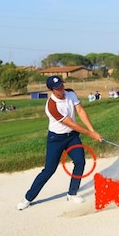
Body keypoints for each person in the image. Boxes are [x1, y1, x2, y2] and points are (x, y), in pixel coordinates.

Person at [16, 75, 103, 210]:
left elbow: (80, 110)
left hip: (72, 137)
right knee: (49, 170)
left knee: (80, 162)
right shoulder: (52, 106)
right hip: (56, 139)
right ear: (52, 90)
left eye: (62, 85)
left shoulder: (70, 93)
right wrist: (91, 134)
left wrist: (93, 130)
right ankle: (28, 198)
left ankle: (72, 193)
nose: (61, 89)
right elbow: (71, 123)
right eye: (58, 88)